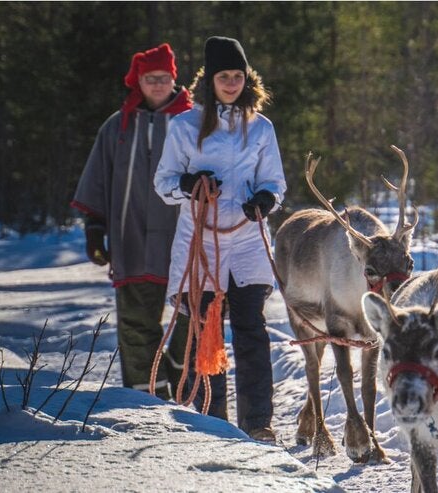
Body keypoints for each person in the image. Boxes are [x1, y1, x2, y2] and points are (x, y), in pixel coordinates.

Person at [154, 36, 286, 443]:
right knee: (204, 330)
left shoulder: (261, 127)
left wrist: (265, 199)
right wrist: (188, 183)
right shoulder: (185, 126)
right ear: (209, 80)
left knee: (251, 331)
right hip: (201, 242)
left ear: (247, 79)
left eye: (237, 76)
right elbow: (163, 182)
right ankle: (213, 420)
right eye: (224, 76)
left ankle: (257, 422)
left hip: (247, 241)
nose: (231, 83)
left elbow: (275, 182)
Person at [72, 43, 193, 400]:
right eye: (150, 78)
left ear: (174, 78)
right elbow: (98, 178)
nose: (157, 84)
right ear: (137, 81)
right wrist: (95, 228)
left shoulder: (193, 123)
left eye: (164, 77)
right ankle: (146, 401)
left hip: (184, 240)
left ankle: (183, 382)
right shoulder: (117, 127)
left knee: (194, 317)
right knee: (136, 323)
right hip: (132, 238)